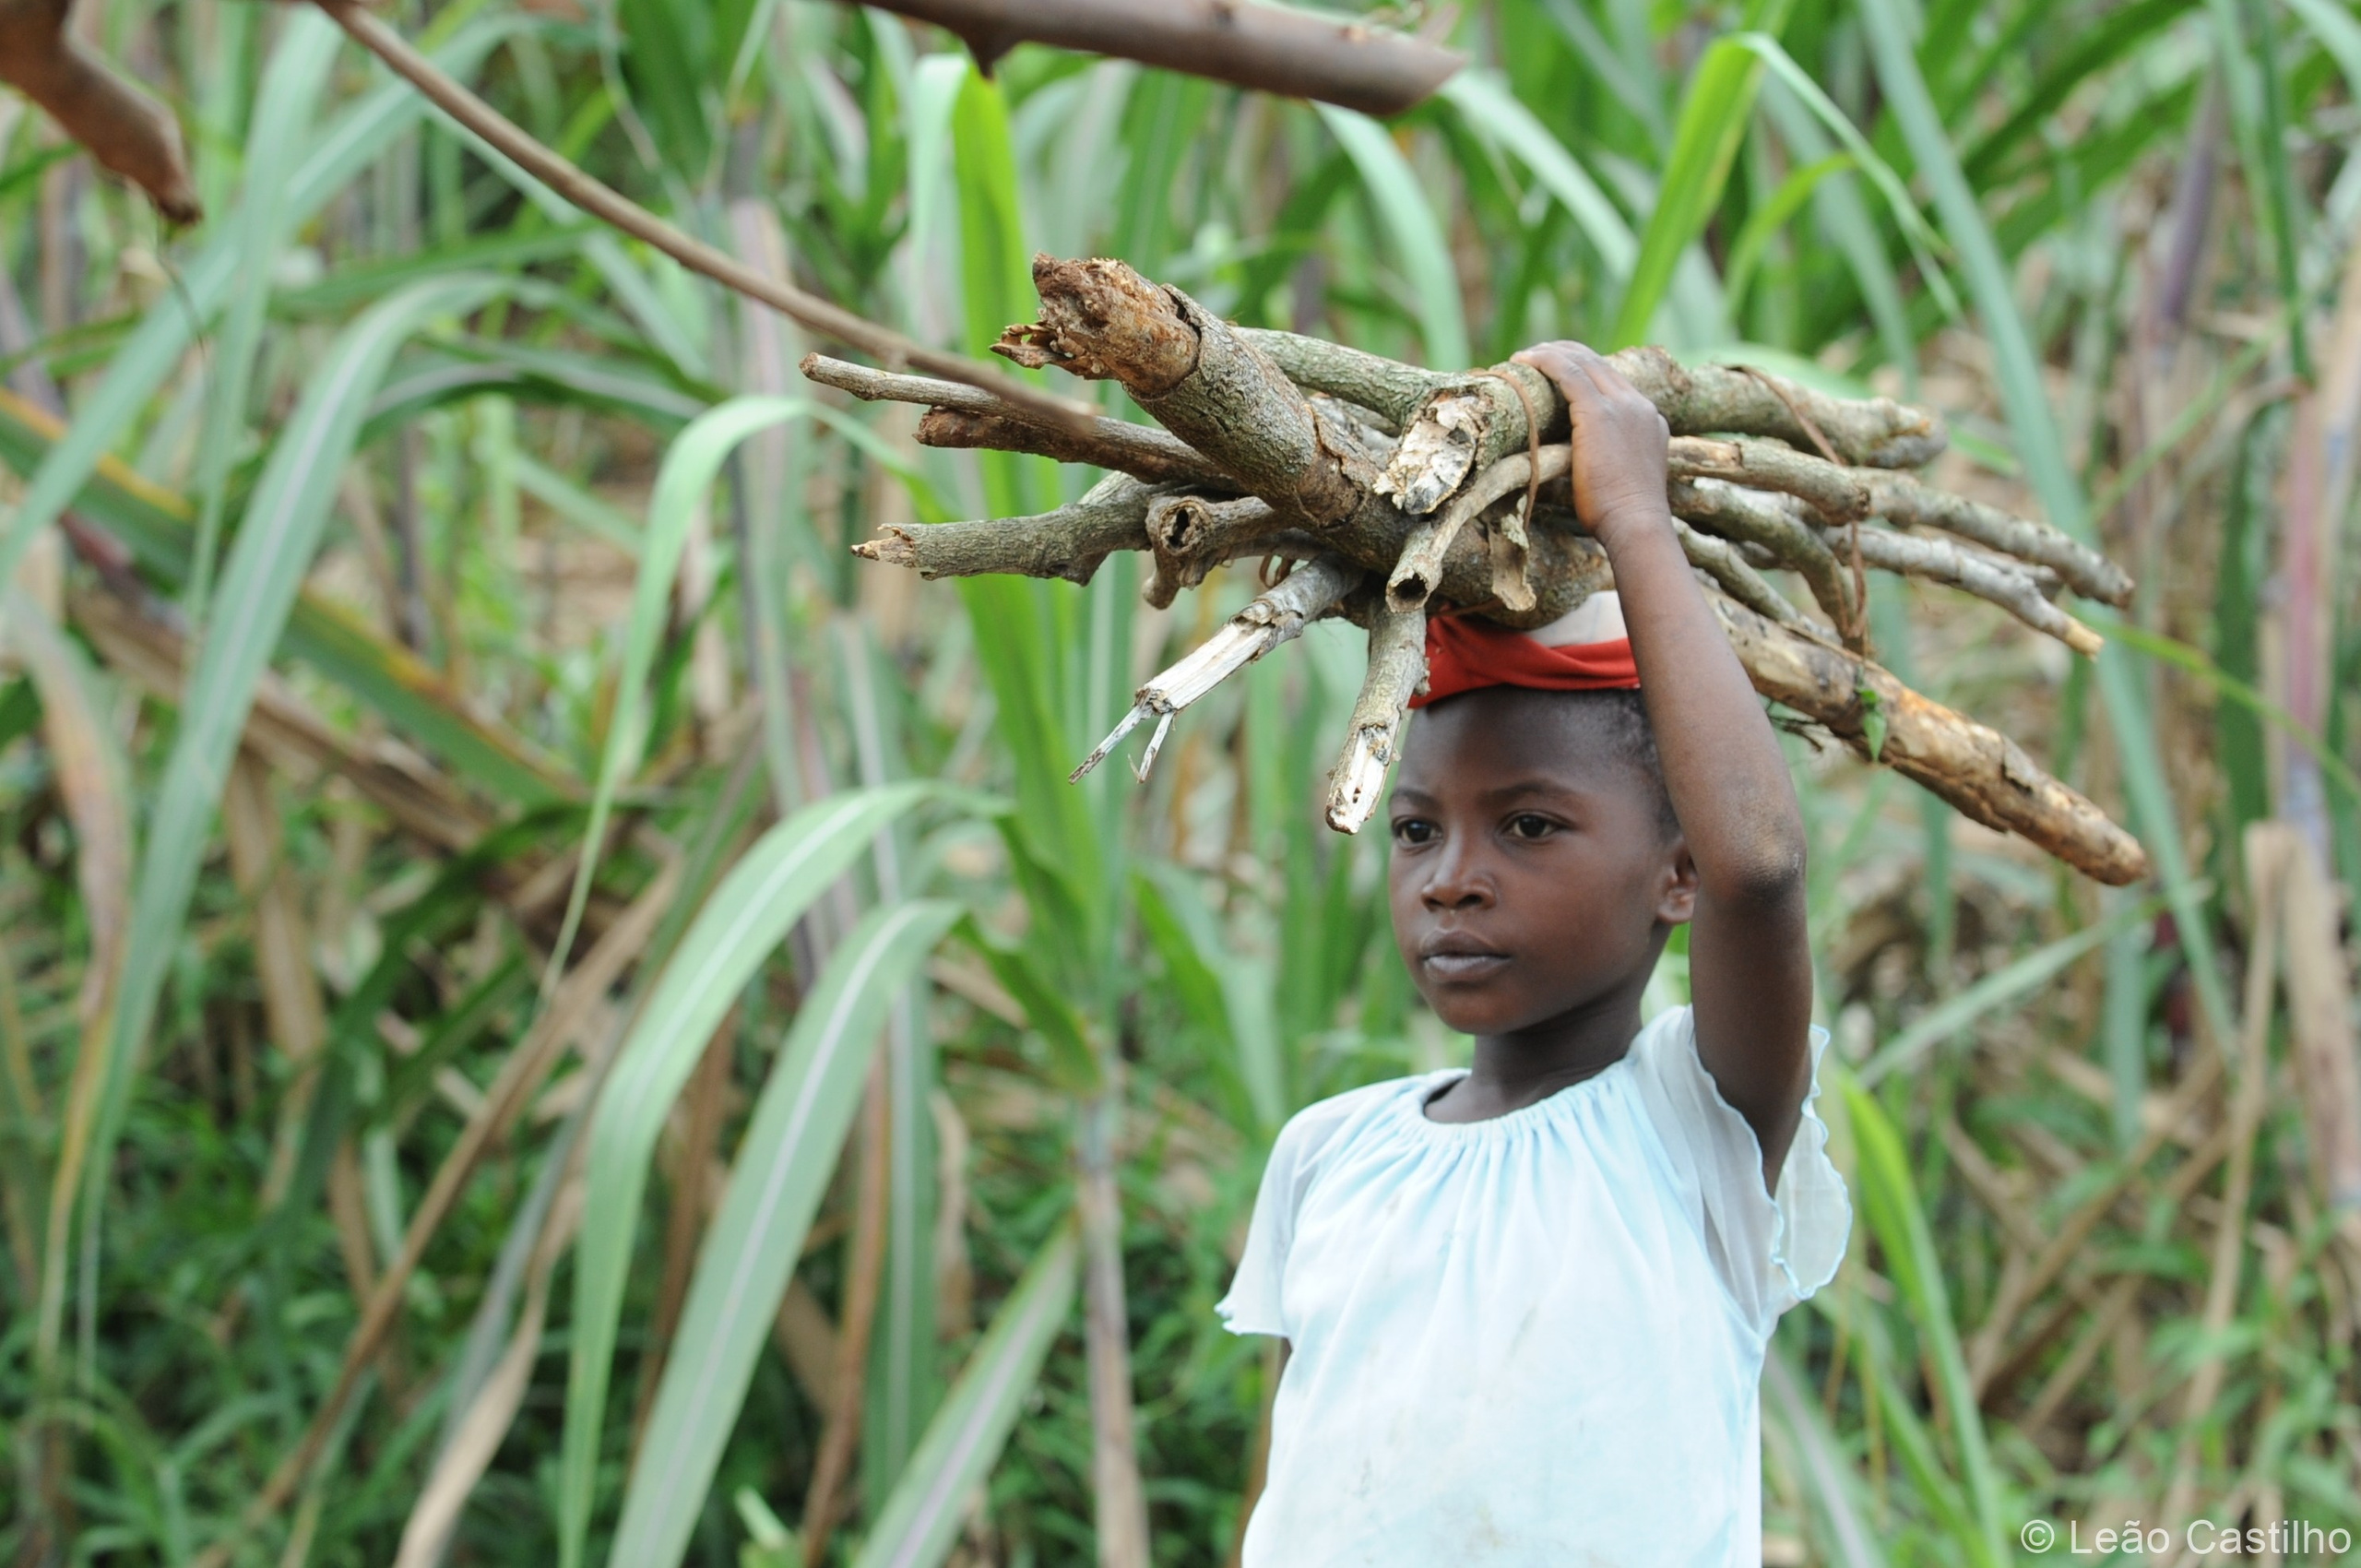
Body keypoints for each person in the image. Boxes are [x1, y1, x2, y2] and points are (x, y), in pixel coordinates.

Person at [1216, 341, 1851, 1566]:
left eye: (1530, 825)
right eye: (1415, 829)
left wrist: (1635, 521)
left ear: (1677, 870)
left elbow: (1761, 867)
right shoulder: (1329, 1156)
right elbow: (1305, 1488)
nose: (1451, 877)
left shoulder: (1695, 1127)